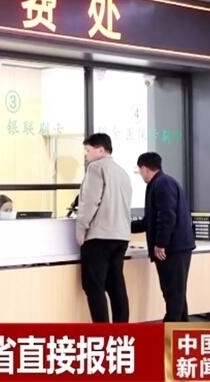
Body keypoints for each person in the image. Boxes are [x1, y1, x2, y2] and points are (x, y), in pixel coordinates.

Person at [131, 152, 196, 322]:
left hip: (173, 249)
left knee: (172, 292)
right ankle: (182, 329)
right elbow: (150, 220)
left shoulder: (162, 184)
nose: (141, 175)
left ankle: (170, 330)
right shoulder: (160, 183)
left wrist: (161, 243)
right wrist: (126, 227)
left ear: (145, 169)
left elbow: (167, 216)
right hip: (175, 247)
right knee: (177, 292)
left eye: (139, 171)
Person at [76, 133, 133, 323]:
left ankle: (102, 331)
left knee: (94, 286)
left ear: (101, 150)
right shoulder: (122, 172)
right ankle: (121, 330)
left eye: (88, 150)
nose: (86, 154)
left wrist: (81, 227)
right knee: (116, 285)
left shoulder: (96, 167)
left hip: (99, 236)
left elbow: (90, 201)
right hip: (121, 236)